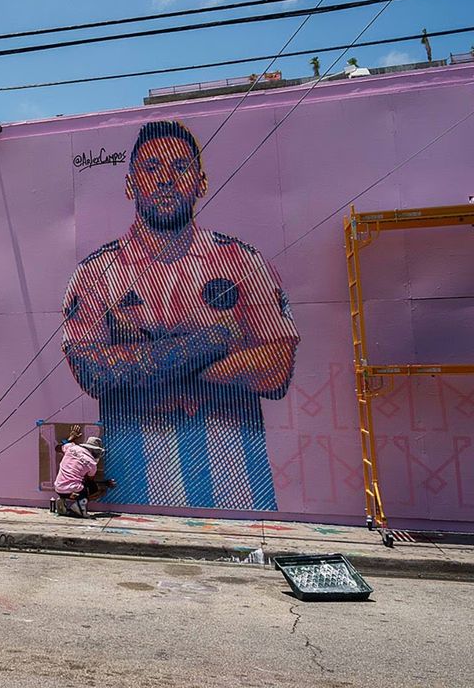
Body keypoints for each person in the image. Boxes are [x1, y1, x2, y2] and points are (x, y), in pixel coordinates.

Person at [61, 120, 299, 511]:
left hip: (237, 486)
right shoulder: (95, 273)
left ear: (201, 182)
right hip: (134, 486)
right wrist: (213, 341)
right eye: (152, 169)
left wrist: (145, 360)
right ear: (130, 185)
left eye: (180, 167)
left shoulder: (242, 260)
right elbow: (94, 372)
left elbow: (275, 369)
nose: (166, 180)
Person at [54, 436, 112, 518]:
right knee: (96, 489)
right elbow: (90, 481)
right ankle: (79, 505)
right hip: (74, 492)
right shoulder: (92, 464)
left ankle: (62, 502)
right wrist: (105, 483)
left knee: (74, 485)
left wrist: (70, 438)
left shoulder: (72, 448)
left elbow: (57, 448)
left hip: (58, 488)